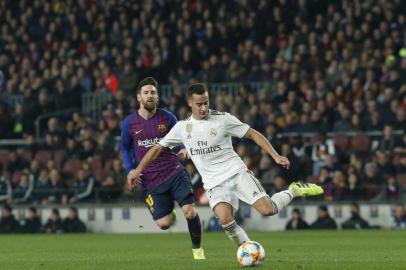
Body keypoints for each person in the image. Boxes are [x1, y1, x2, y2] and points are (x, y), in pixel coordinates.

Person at [129, 83, 323, 247]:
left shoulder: (223, 119)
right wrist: (137, 170)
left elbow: (253, 133)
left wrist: (275, 155)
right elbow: (156, 149)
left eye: (206, 103)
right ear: (189, 103)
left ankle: (294, 190)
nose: (203, 108)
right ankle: (248, 249)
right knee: (225, 219)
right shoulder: (182, 128)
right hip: (214, 183)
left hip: (236, 173)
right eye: (199, 104)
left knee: (267, 210)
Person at [121, 77, 205, 259]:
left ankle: (197, 250)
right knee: (164, 224)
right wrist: (130, 169)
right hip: (151, 180)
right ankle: (169, 212)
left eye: (153, 92)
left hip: (174, 171)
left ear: (157, 97)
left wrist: (183, 147)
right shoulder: (129, 124)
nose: (149, 96)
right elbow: (125, 148)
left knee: (190, 212)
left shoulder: (168, 118)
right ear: (138, 97)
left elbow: (181, 138)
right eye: (146, 93)